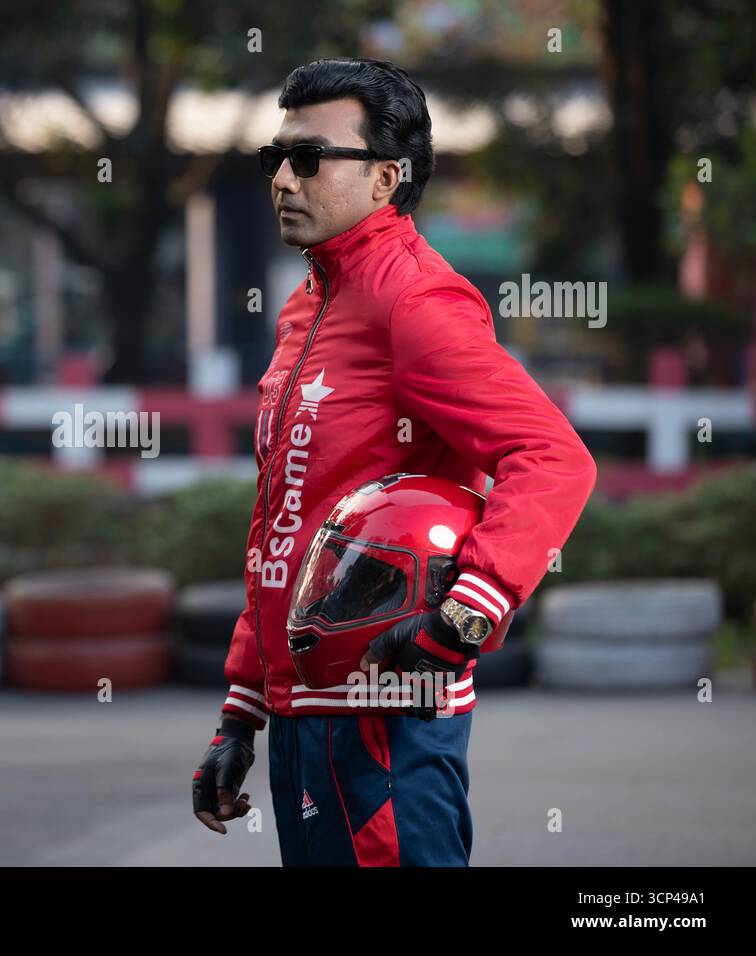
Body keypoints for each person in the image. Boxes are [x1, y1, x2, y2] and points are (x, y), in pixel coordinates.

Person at [190, 57, 598, 866]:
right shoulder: (309, 303)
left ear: (387, 178)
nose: (283, 179)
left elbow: (551, 456)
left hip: (387, 714)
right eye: (275, 158)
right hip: (302, 714)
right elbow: (288, 520)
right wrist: (241, 711)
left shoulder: (416, 301)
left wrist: (463, 616)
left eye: (310, 159)